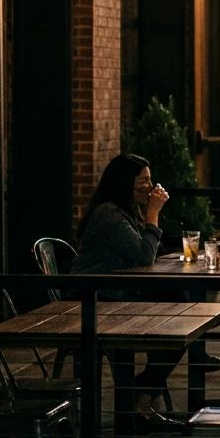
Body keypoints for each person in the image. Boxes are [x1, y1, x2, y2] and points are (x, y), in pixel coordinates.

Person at [71, 152, 181, 418]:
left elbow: (148, 254)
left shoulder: (127, 211)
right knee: (178, 318)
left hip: (118, 295)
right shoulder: (109, 214)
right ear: (124, 183)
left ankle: (141, 390)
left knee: (182, 311)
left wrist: (148, 216)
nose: (150, 187)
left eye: (151, 180)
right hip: (93, 300)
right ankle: (139, 395)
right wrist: (153, 213)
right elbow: (143, 257)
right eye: (142, 181)